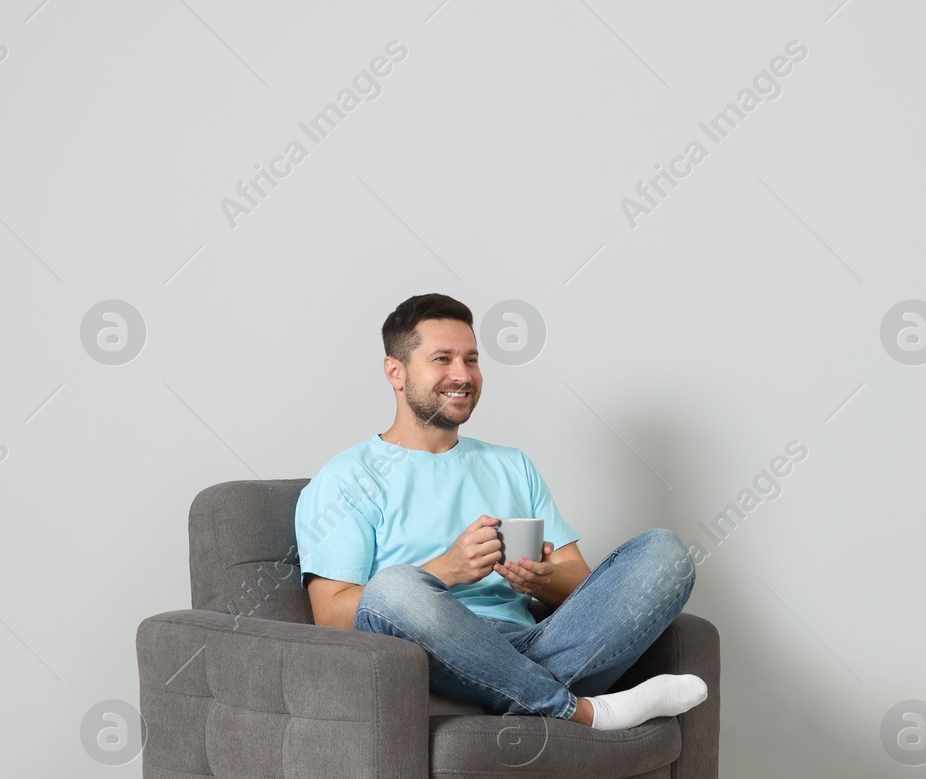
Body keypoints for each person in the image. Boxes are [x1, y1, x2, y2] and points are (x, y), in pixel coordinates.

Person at [292, 293, 706, 731]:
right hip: (434, 655)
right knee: (393, 588)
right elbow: (333, 616)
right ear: (395, 371)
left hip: (539, 641)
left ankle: (504, 694)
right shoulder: (346, 478)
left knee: (666, 552)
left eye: (471, 360)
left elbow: (584, 591)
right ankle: (581, 711)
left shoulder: (513, 465)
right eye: (442, 359)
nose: (462, 375)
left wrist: (544, 581)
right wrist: (445, 570)